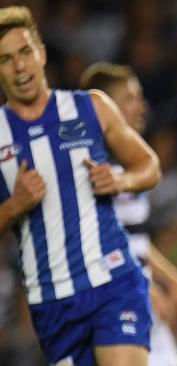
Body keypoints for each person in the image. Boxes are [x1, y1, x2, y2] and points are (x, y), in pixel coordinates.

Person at [0, 6, 161, 366]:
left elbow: (148, 165)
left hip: (113, 281)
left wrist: (120, 180)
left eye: (25, 53)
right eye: (6, 59)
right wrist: (15, 205)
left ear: (41, 54)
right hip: (52, 303)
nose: (20, 66)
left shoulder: (92, 107)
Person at [80, 62, 177, 366]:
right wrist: (143, 287)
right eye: (130, 98)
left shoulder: (129, 162)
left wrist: (176, 282)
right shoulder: (94, 168)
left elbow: (133, 239)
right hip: (113, 301)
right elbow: (96, 243)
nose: (141, 106)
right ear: (105, 109)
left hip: (136, 293)